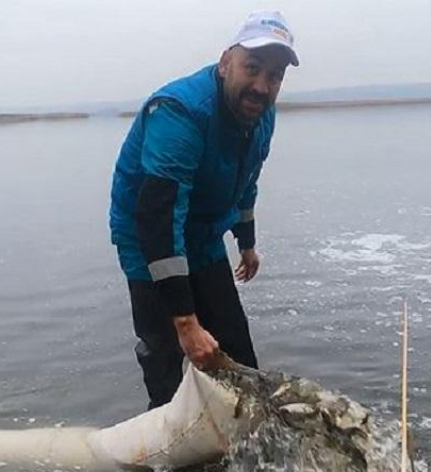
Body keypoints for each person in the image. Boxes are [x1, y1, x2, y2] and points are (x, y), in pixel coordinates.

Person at [108, 11, 299, 408]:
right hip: (149, 241)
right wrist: (186, 322)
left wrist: (246, 242)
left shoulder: (261, 113)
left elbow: (247, 179)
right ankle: (164, 452)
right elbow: (158, 217)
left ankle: (237, 431)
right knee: (166, 353)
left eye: (275, 75)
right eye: (253, 68)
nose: (262, 86)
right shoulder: (180, 112)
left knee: (236, 352)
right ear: (226, 62)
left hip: (204, 234)